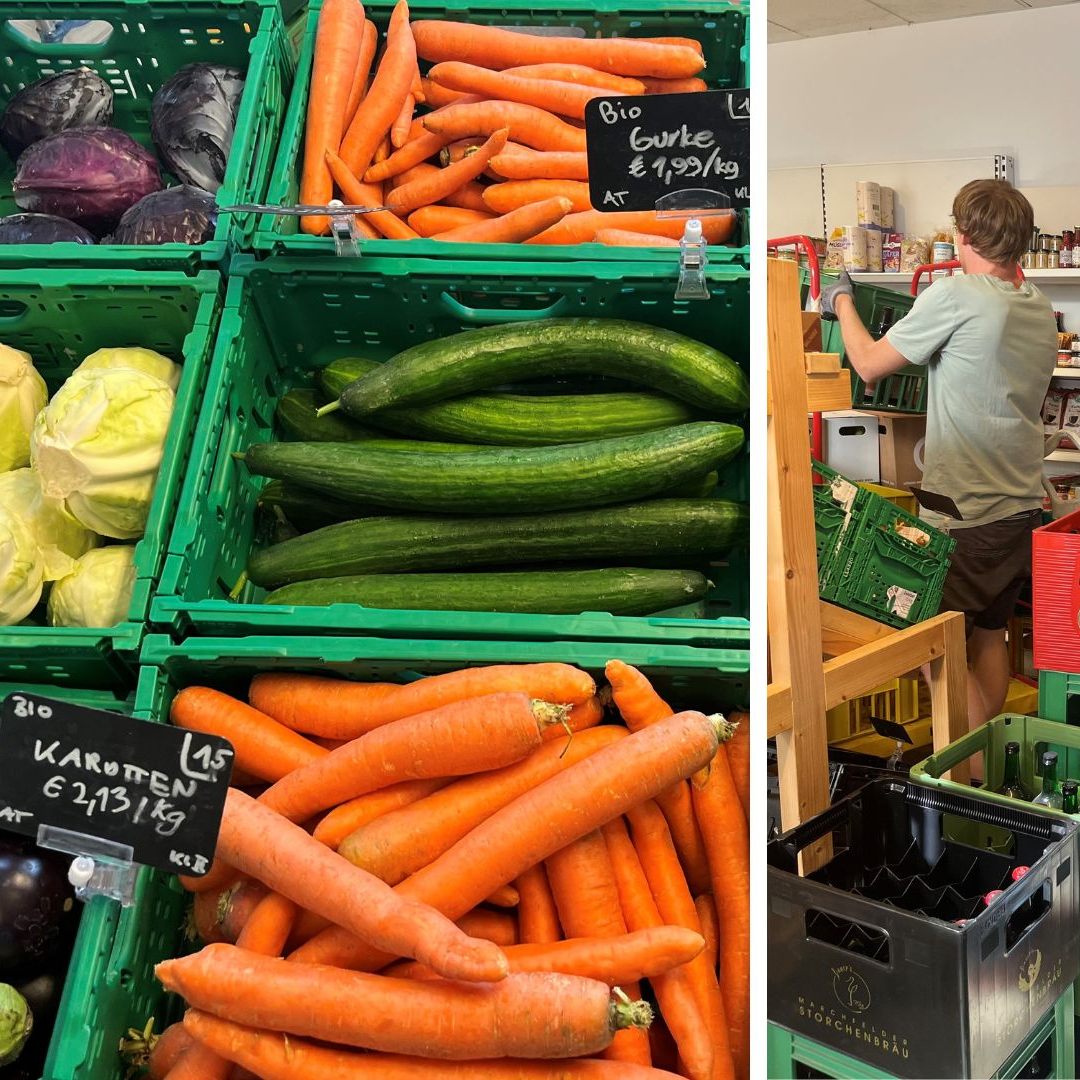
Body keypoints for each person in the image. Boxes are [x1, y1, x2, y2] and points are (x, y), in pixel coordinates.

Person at [820, 179, 1057, 728]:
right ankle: (990, 761)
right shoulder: (1036, 307)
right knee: (989, 636)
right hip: (1018, 504)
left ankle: (968, 782)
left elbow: (869, 364)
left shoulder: (953, 295)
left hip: (964, 511)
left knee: (934, 647)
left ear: (963, 234)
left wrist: (842, 298)